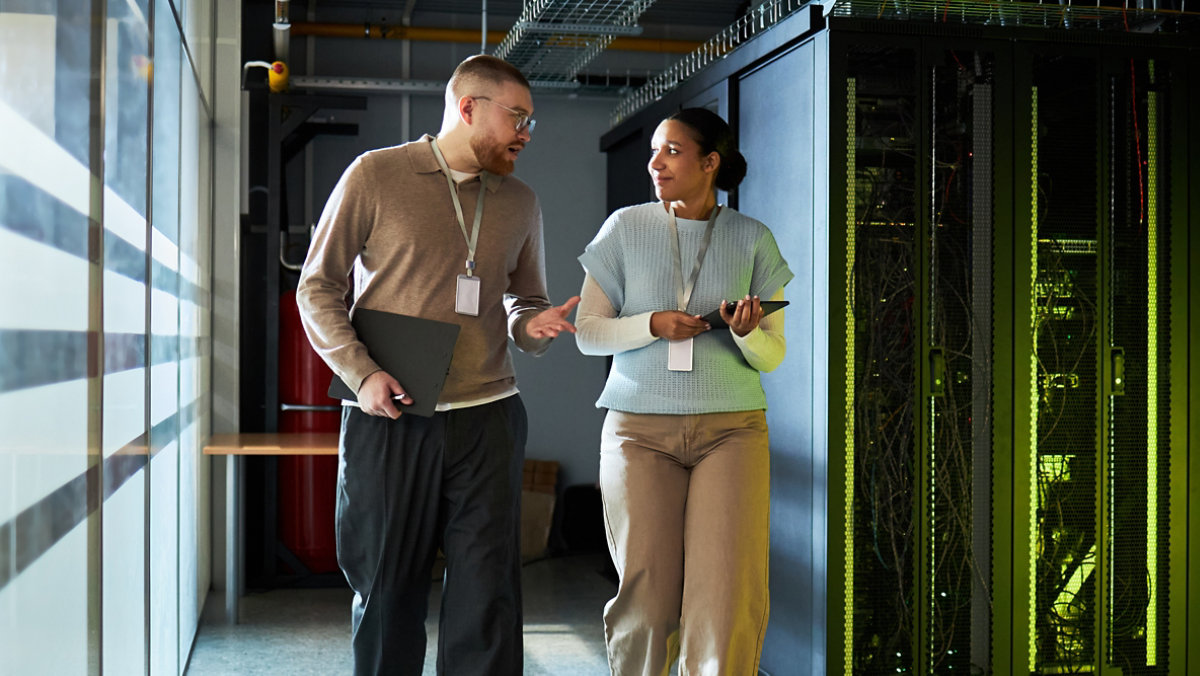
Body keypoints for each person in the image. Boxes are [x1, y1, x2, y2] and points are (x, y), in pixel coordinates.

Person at [296, 54, 579, 676]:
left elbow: (523, 302)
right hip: (392, 415)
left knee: (488, 598)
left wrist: (532, 327)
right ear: (469, 106)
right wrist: (361, 373)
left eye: (532, 121)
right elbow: (316, 287)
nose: (526, 134)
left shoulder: (521, 201)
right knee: (386, 591)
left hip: (489, 417)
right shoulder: (375, 175)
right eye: (518, 117)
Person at [575, 107, 792, 675]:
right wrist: (652, 324)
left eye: (671, 150)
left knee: (724, 598)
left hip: (733, 432)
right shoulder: (624, 228)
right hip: (637, 431)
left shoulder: (752, 239)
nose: (655, 162)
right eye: (654, 150)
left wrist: (745, 335)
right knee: (646, 602)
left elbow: (773, 354)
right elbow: (588, 334)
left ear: (709, 162)